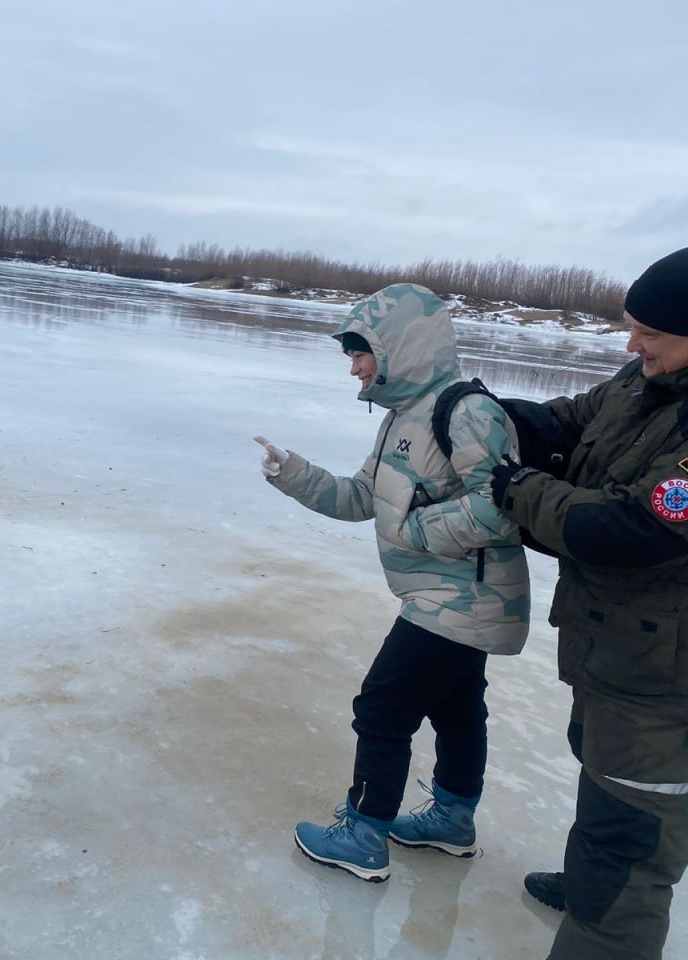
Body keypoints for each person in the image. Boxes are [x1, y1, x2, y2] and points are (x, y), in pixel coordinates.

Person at [489, 248, 688, 959]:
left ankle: (607, 917)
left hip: (677, 669)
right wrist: (492, 413)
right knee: (605, 779)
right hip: (624, 644)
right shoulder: (657, 377)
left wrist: (518, 490)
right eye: (632, 329)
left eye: (648, 334)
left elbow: (641, 529)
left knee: (632, 843)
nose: (632, 346)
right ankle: (591, 878)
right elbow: (573, 420)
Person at [256, 282, 530, 882]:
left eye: (361, 352)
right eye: (349, 354)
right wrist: (293, 473)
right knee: (459, 708)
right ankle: (454, 820)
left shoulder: (467, 413)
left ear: (401, 347)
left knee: (382, 709)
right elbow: (362, 498)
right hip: (445, 597)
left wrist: (414, 528)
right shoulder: (405, 416)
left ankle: (365, 832)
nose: (353, 367)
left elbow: (503, 506)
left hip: (464, 598)